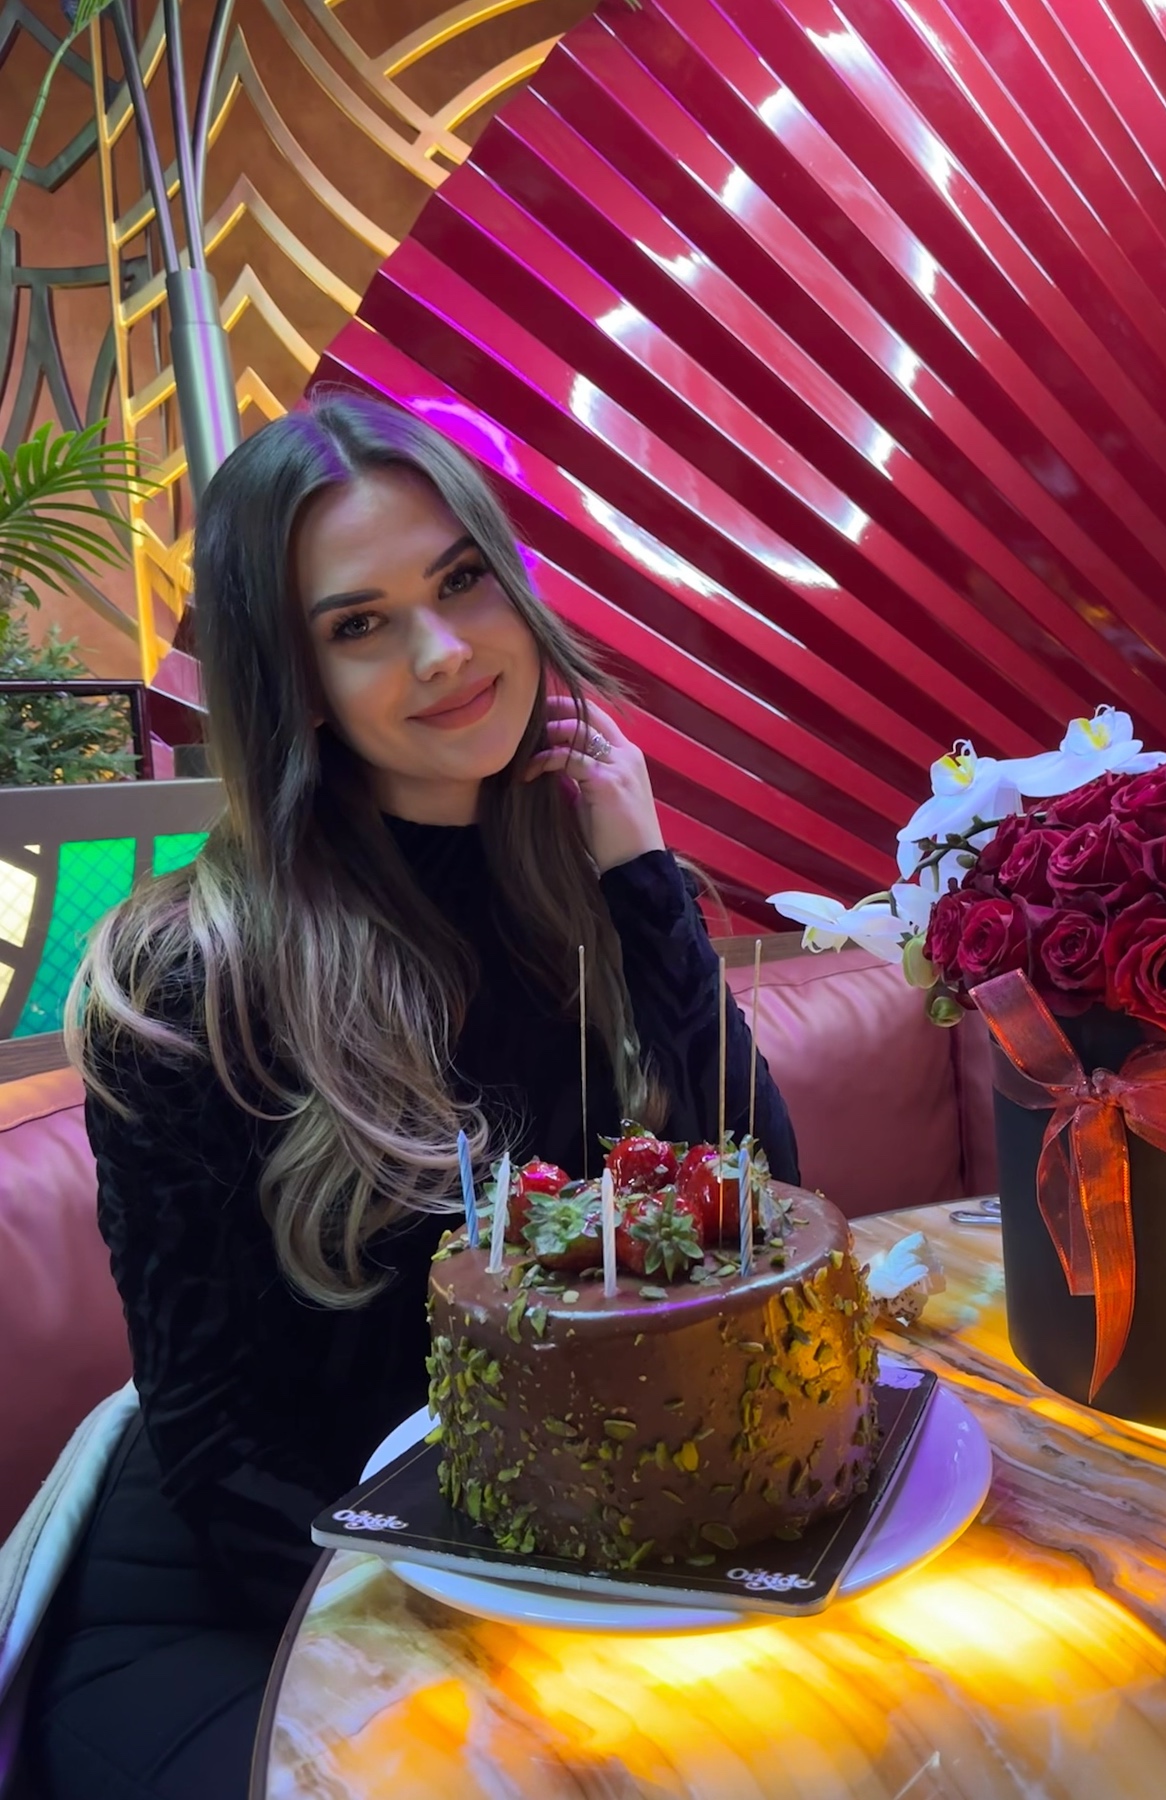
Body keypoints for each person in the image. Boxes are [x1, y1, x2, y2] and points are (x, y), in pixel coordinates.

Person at [22, 390, 799, 1799]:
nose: (442, 653)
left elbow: (766, 1206)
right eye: (360, 624)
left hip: (545, 1535)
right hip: (255, 1599)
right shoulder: (192, 978)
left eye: (461, 582)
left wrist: (643, 883)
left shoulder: (591, 890)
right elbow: (217, 1438)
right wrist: (498, 1634)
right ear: (291, 679)